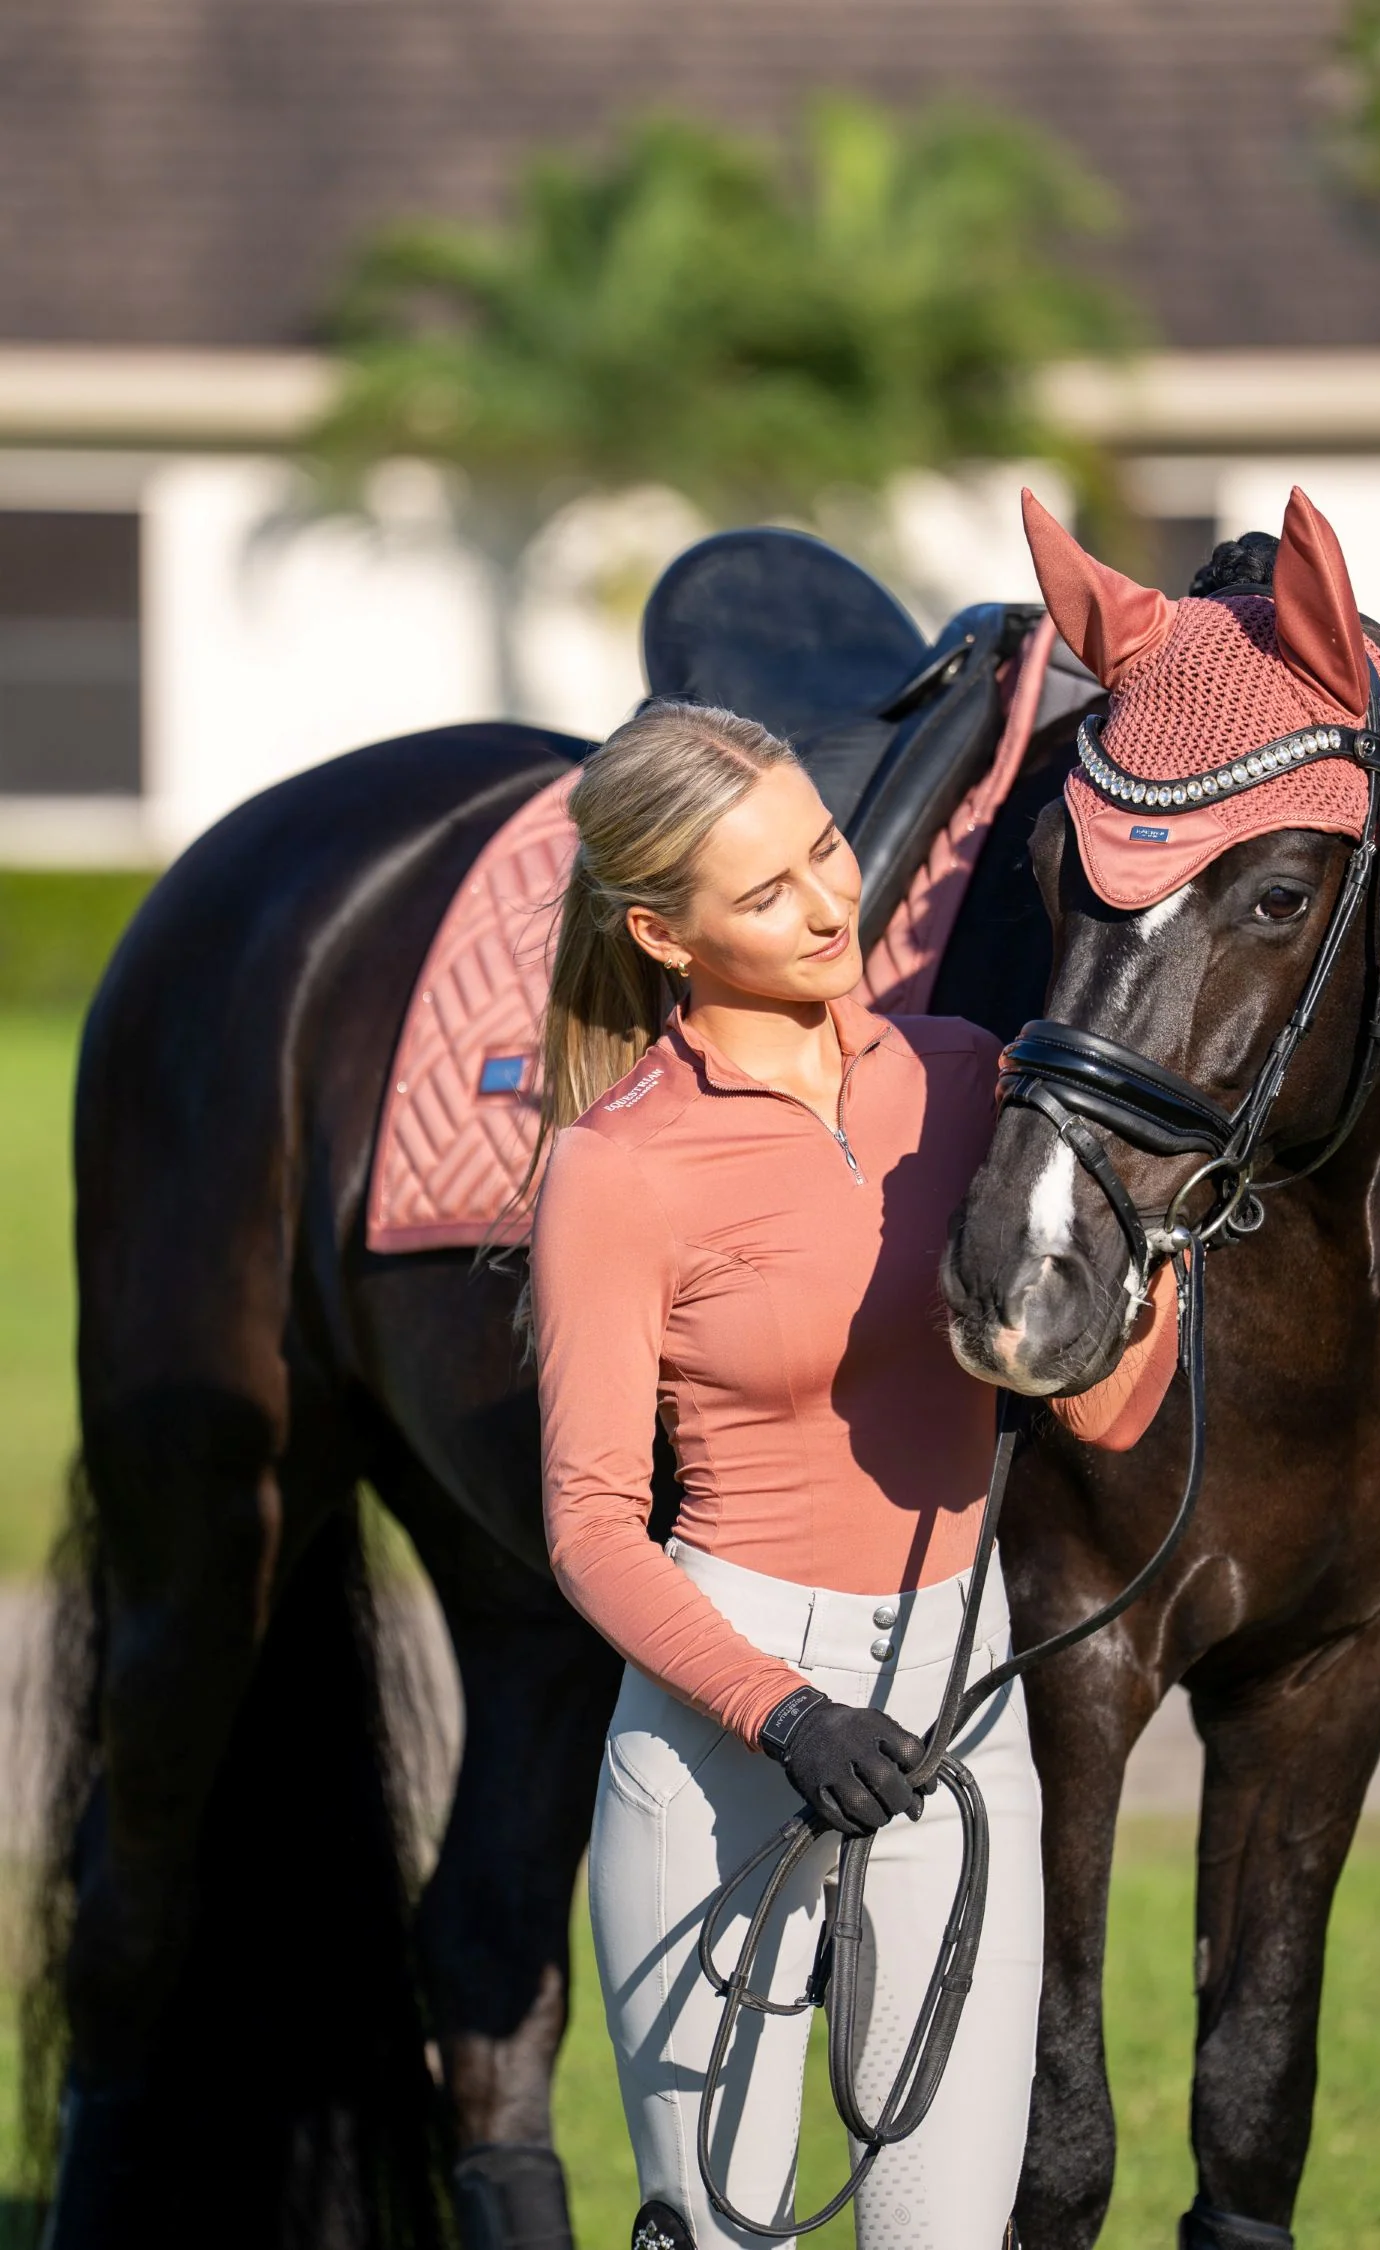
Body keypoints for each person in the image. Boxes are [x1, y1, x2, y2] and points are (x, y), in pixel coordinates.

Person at [529, 702, 1043, 2250]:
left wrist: (1134, 1299)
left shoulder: (972, 1079)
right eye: (764, 892)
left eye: (826, 848)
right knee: (722, 2231)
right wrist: (786, 1711)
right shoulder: (618, 1167)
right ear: (662, 934)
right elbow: (590, 1525)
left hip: (962, 1693)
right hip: (721, 1730)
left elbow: (1092, 1411)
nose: (829, 905)